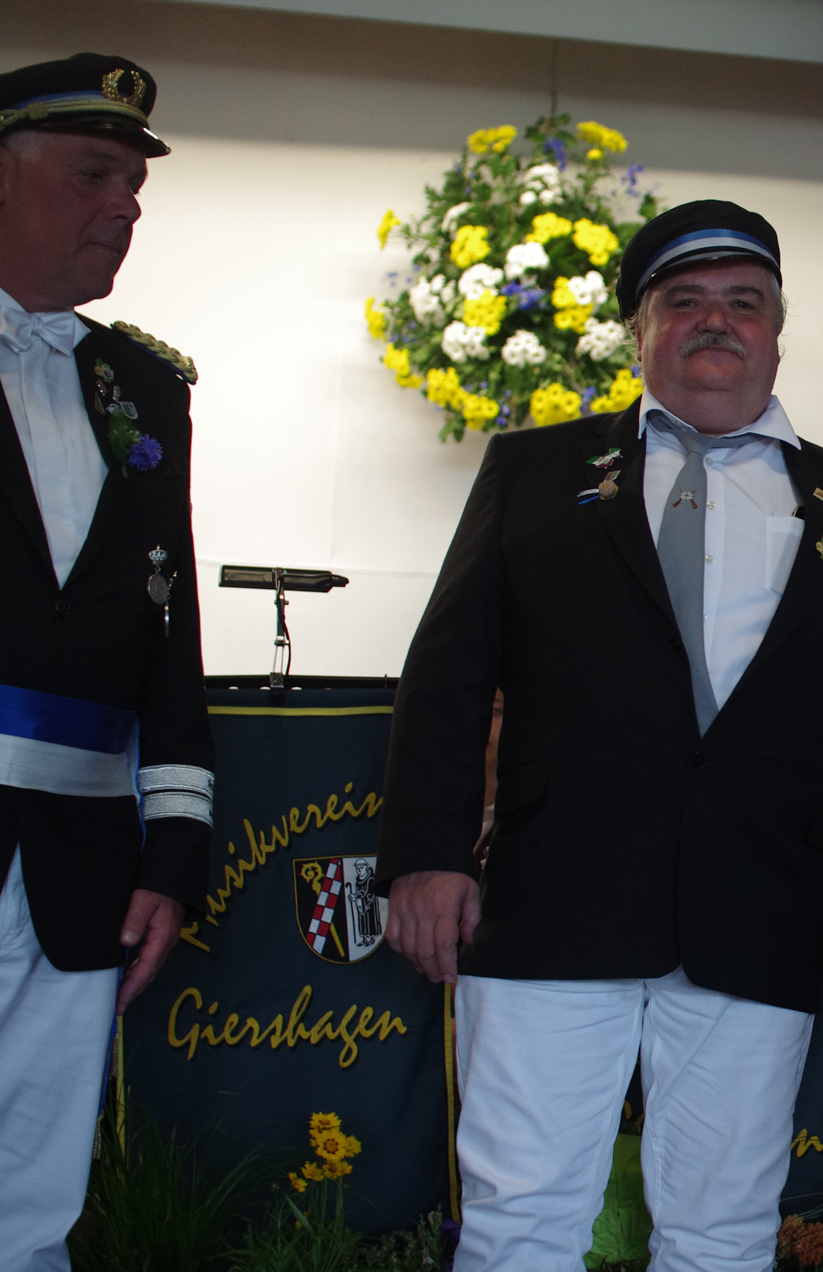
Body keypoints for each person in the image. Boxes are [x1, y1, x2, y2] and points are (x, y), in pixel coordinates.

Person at [375, 200, 823, 1271]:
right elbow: (448, 677)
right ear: (639, 331)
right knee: (519, 1219)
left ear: (778, 332)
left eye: (745, 302)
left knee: (723, 1233)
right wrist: (426, 856)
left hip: (759, 907)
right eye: (684, 302)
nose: (716, 321)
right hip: (555, 902)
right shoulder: (533, 474)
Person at [0, 53, 214, 1271]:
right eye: (92, 176)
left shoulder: (142, 385)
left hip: (79, 867)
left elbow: (167, 632)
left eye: (134, 188)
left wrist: (174, 849)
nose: (122, 208)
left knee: (35, 1204)